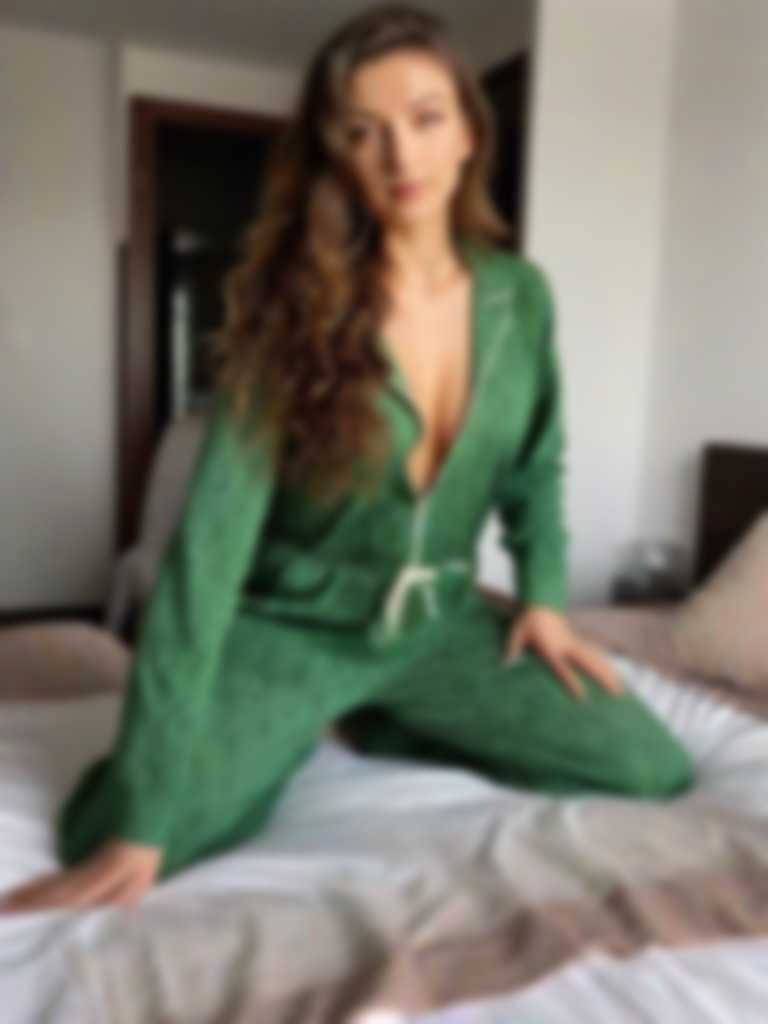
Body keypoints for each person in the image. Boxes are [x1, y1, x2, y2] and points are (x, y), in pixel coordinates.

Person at [0, 2, 695, 914]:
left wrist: (544, 599)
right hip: (296, 628)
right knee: (121, 833)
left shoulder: (519, 297)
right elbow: (206, 557)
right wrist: (145, 817)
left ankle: (382, 716)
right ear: (335, 154)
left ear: (468, 132)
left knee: (649, 765)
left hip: (440, 624)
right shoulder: (285, 314)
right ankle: (301, 717)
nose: (401, 156)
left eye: (425, 119)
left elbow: (538, 463)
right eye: (364, 132)